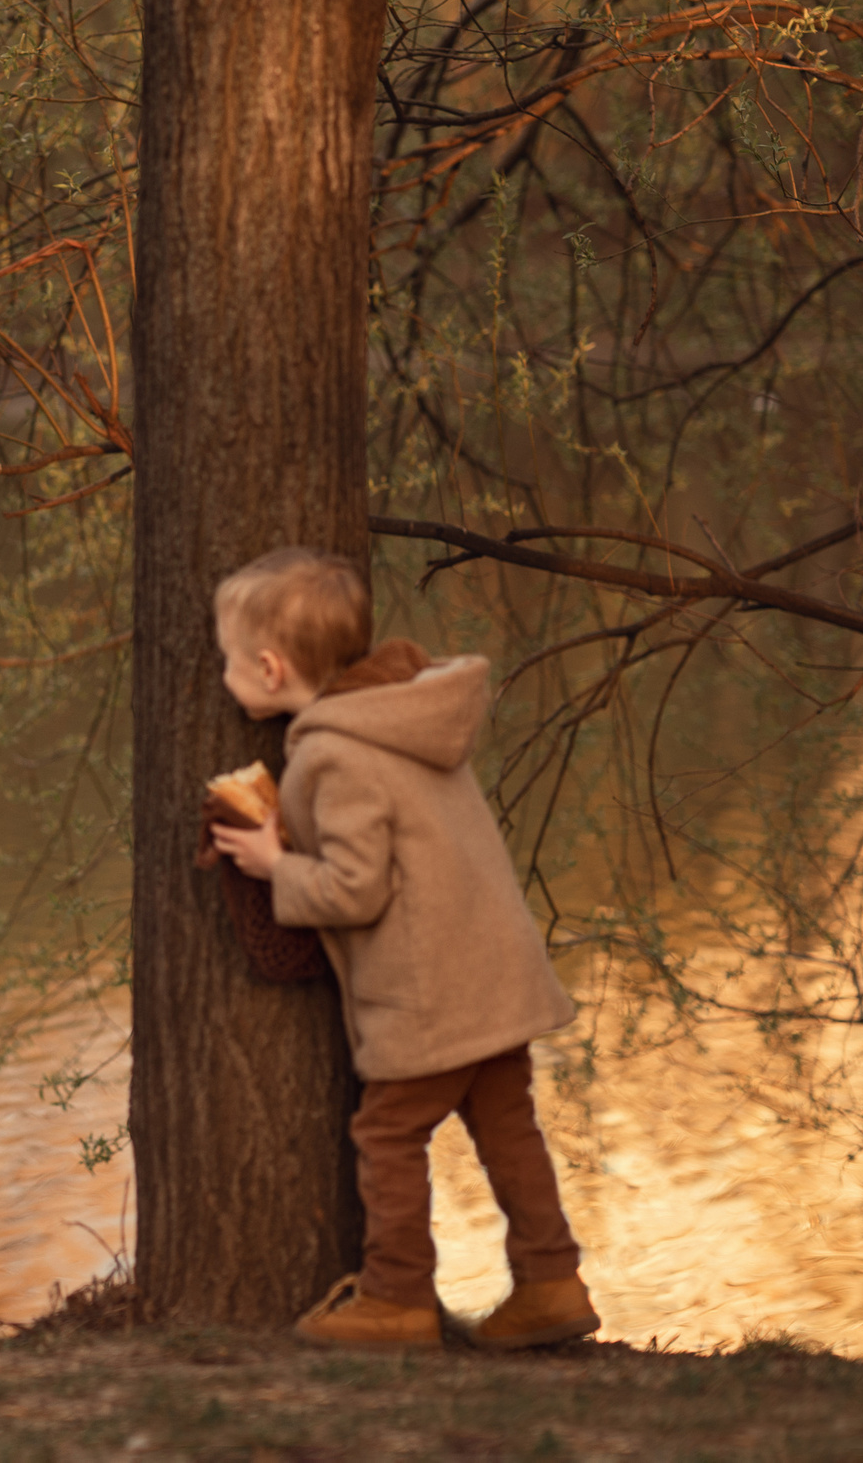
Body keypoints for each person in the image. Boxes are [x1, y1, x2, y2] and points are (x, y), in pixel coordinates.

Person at [207, 547, 596, 1352]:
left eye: (228, 659)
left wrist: (277, 864)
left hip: (430, 995)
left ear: (272, 669)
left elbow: (356, 889)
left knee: (386, 1134)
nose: (222, 674)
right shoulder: (402, 717)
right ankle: (552, 1280)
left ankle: (396, 1295)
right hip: (494, 976)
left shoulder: (330, 752)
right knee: (508, 1127)